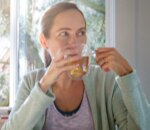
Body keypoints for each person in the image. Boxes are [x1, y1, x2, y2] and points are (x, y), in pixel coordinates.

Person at [2, 2, 150, 130]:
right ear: (44, 41)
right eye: (64, 34)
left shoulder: (106, 80)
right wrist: (45, 83)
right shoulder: (31, 82)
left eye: (81, 33)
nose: (75, 43)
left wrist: (127, 73)